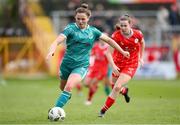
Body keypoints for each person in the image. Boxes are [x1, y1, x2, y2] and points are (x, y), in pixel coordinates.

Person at [46, 3, 130, 117]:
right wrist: (52, 50)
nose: (80, 21)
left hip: (81, 66)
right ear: (75, 18)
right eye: (78, 19)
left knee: (69, 86)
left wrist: (122, 51)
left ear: (88, 18)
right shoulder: (70, 28)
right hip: (66, 64)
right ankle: (65, 96)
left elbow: (110, 41)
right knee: (63, 87)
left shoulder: (93, 31)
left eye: (83, 19)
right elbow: (57, 41)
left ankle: (55, 110)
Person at [98, 14, 145, 117]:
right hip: (118, 64)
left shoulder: (138, 34)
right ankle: (125, 91)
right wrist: (113, 66)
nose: (123, 28)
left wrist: (140, 57)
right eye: (121, 25)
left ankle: (103, 110)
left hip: (131, 64)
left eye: (125, 25)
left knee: (116, 87)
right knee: (114, 86)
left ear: (130, 25)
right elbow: (107, 53)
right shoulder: (116, 36)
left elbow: (142, 43)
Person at [84, 39, 112, 105]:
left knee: (94, 83)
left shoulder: (108, 48)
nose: (103, 40)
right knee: (86, 84)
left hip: (102, 70)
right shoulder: (96, 46)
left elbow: (111, 58)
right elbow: (91, 55)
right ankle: (95, 87)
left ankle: (89, 99)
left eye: (105, 39)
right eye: (102, 39)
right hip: (94, 68)